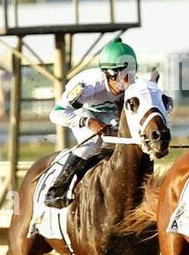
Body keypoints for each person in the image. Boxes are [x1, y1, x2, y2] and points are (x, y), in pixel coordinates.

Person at [44, 37, 138, 208]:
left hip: (108, 114)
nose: (125, 82)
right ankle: (57, 189)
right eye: (120, 76)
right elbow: (56, 114)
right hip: (83, 113)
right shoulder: (88, 85)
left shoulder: (134, 85)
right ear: (107, 73)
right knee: (94, 141)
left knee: (126, 138)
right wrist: (87, 121)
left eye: (129, 75)